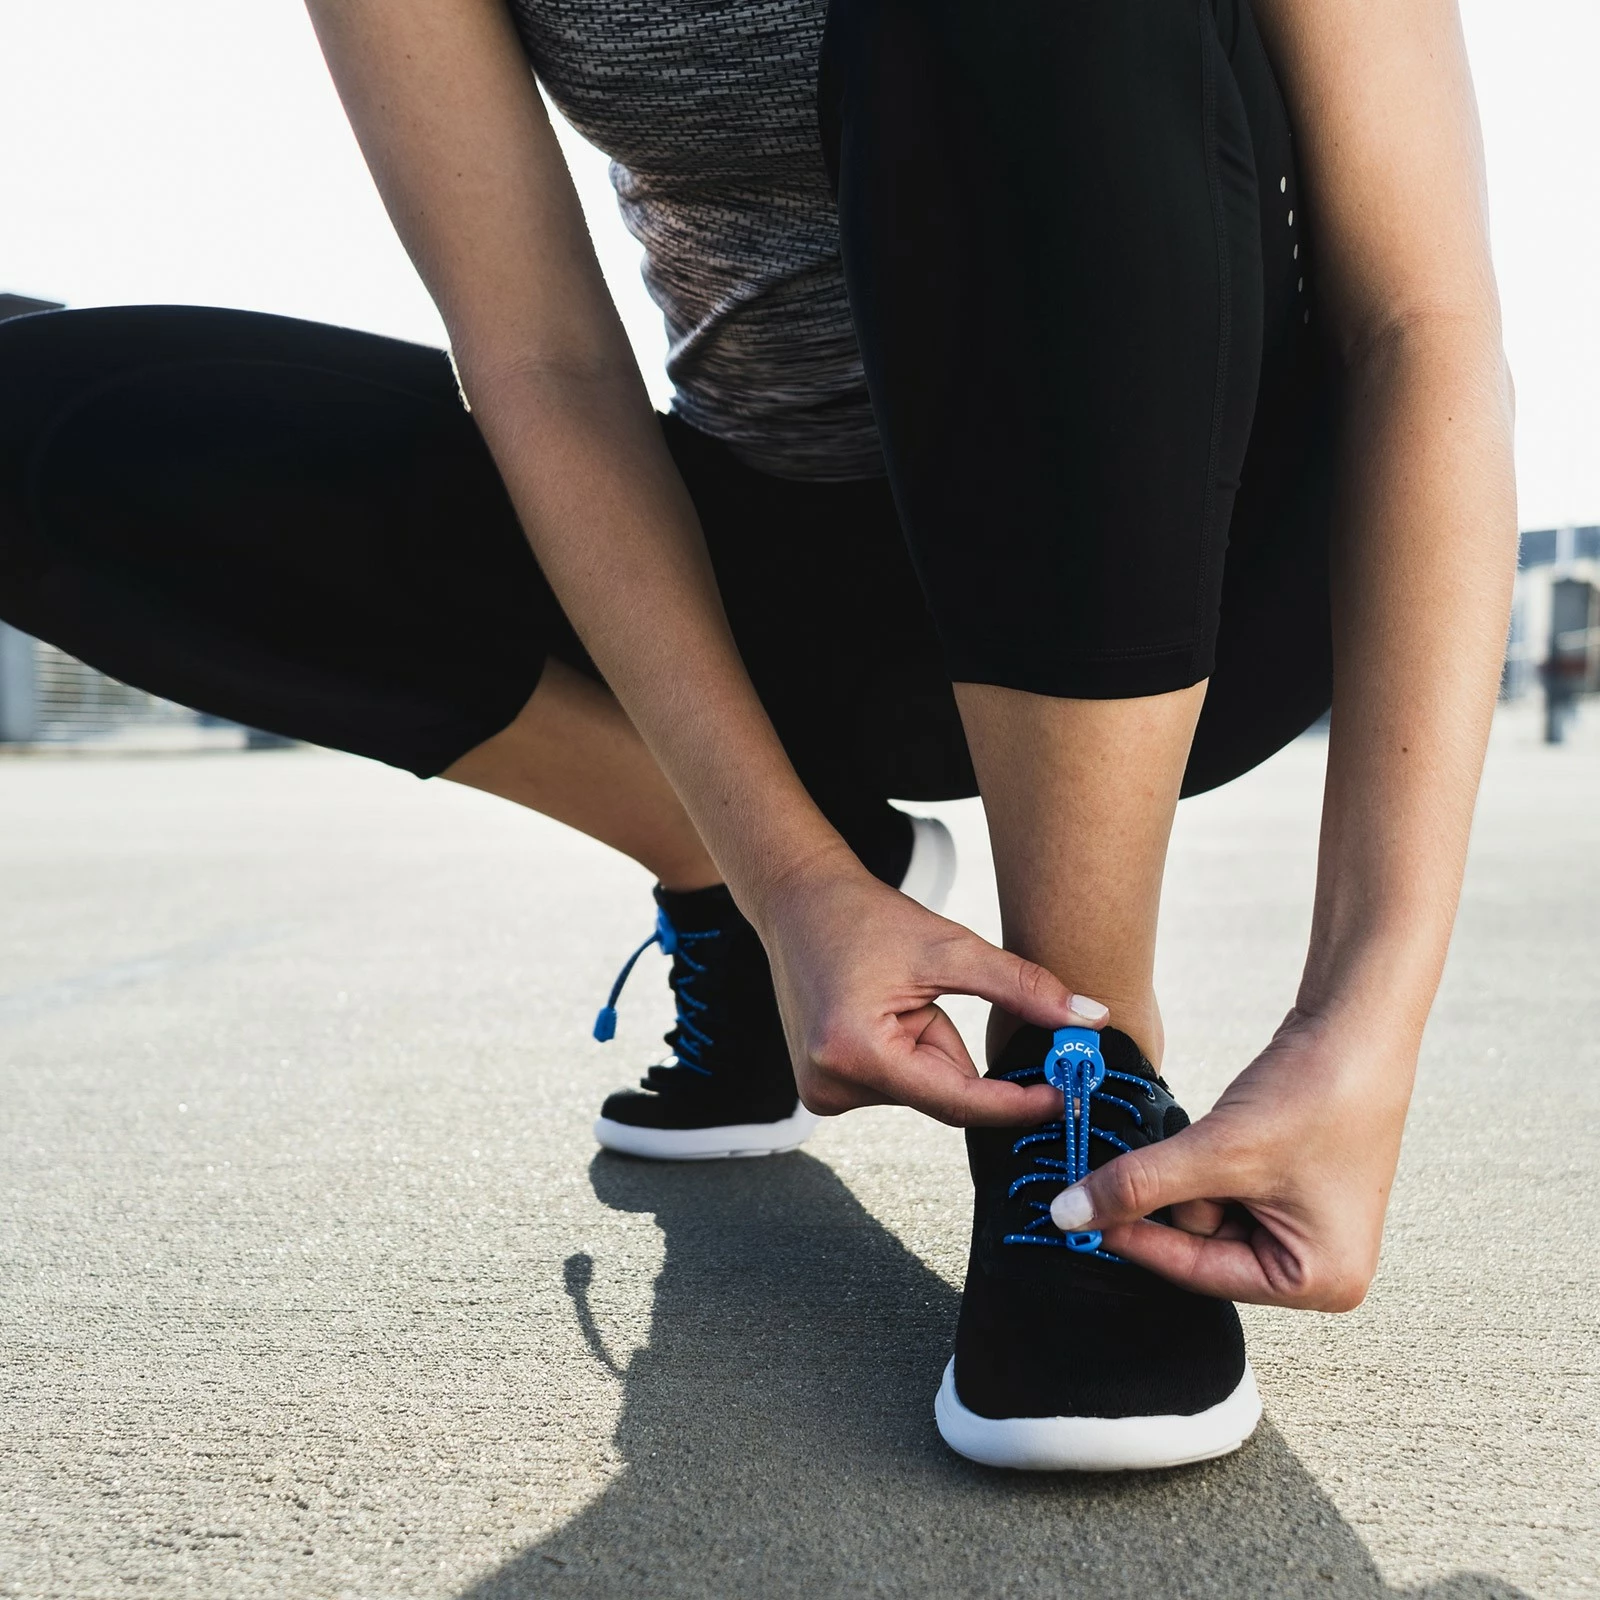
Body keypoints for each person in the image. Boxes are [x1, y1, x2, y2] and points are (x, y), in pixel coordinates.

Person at [0, 0, 1513, 1471]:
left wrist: (1359, 1026)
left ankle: (1077, 1070)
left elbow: (1422, 323)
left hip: (1193, 564)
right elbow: (541, 358)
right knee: (40, 430)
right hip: (784, 587)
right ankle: (758, 861)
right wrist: (786, 873)